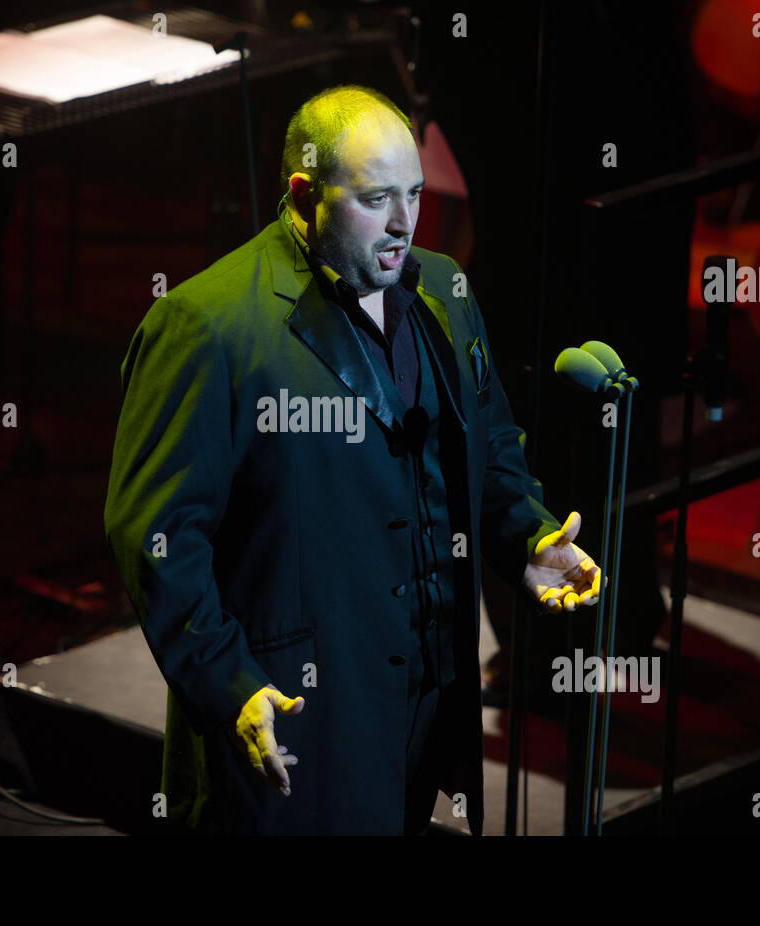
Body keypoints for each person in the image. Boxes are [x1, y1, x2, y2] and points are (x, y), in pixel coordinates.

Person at [104, 86, 600, 836]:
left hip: (422, 704)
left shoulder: (445, 290)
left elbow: (487, 441)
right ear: (304, 196)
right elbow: (154, 534)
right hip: (299, 715)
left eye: (414, 193)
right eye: (376, 199)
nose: (406, 223)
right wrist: (226, 681)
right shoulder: (206, 326)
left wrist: (525, 536)